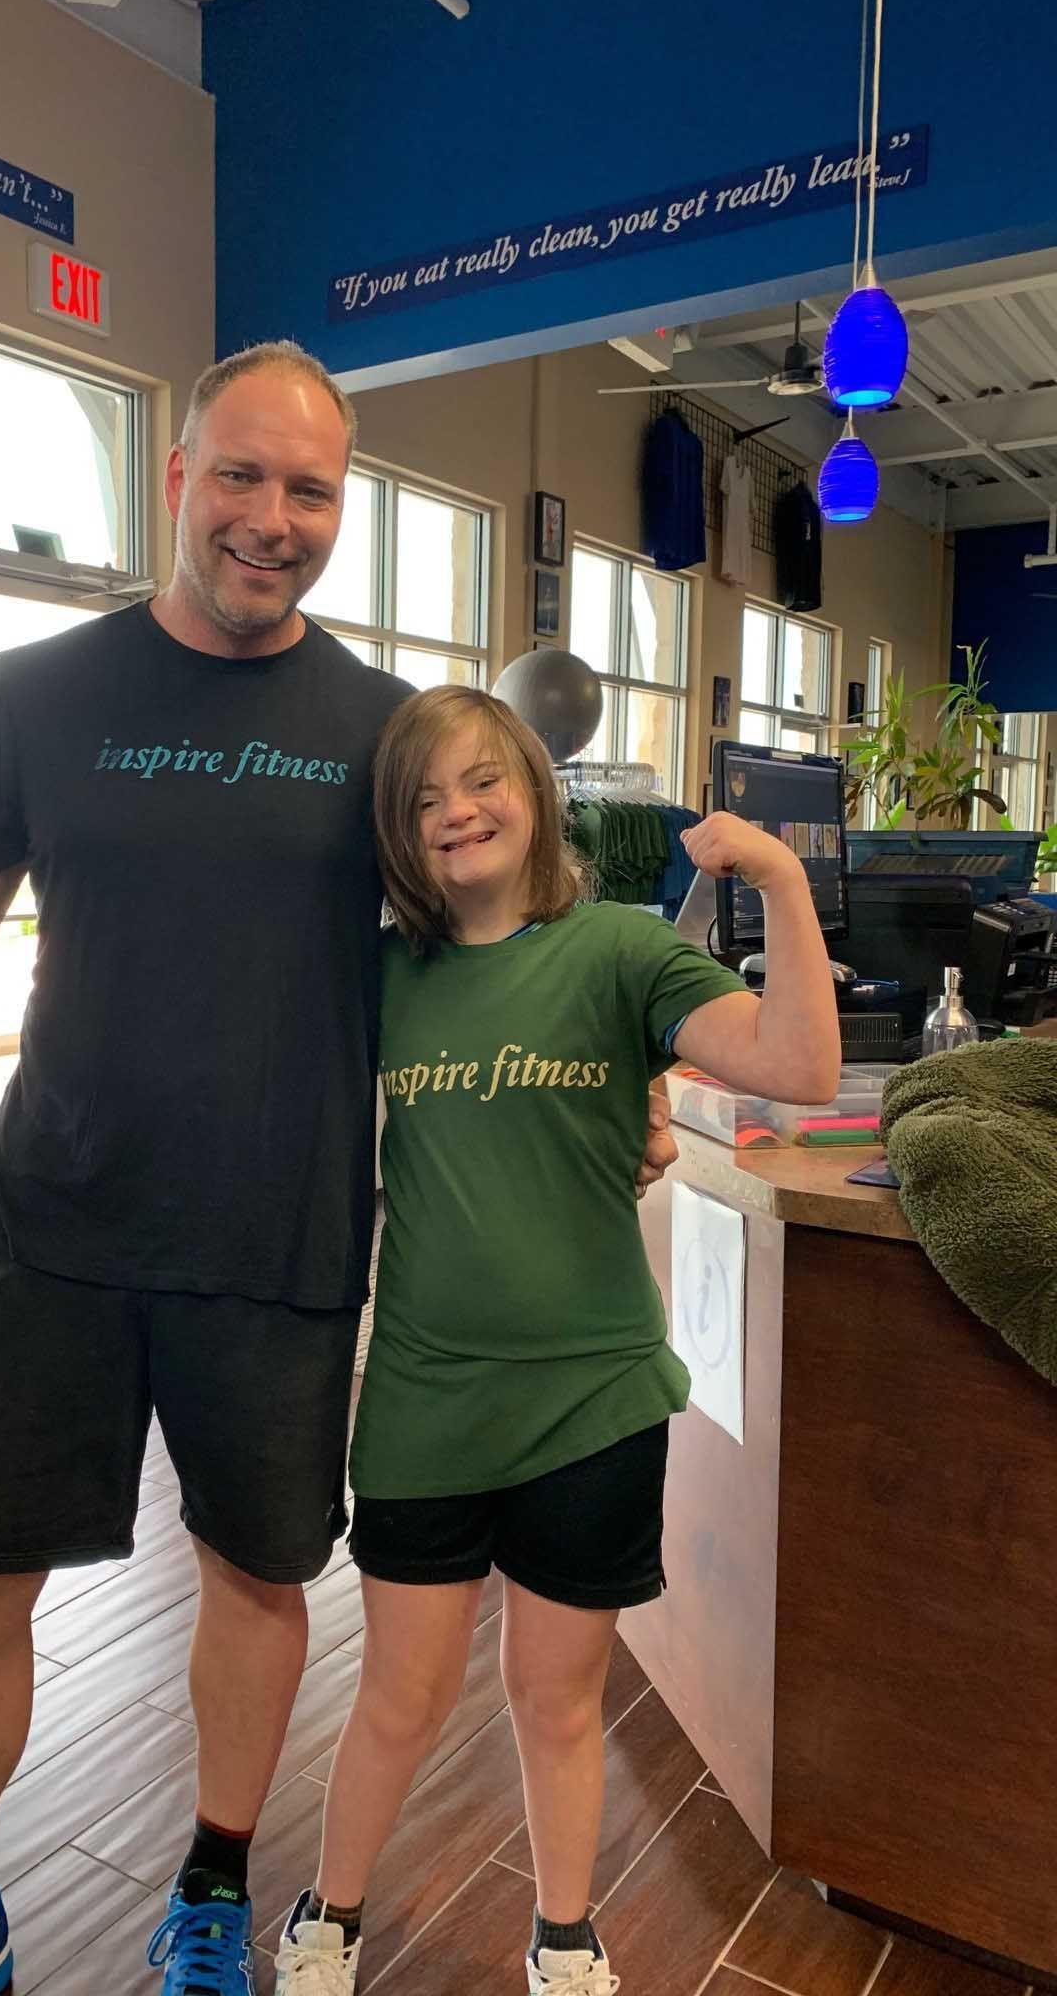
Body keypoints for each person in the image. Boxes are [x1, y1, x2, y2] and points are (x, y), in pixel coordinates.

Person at [0, 346, 680, 1996]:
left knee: (257, 1575)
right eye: (242, 477)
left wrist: (616, 1070)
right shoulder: (33, 693)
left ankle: (213, 1886)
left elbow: (505, 921)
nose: (271, 521)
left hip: (279, 1241)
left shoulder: (376, 733)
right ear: (174, 471)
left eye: (309, 492)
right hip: (55, 1226)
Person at [272, 686, 839, 1996]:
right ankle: (329, 1917)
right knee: (397, 1699)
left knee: (557, 1698)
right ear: (399, 839)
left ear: (534, 789)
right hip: (422, 1398)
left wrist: (777, 880)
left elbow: (802, 1067)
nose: (456, 813)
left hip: (590, 1403)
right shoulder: (385, 973)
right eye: (422, 800)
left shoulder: (620, 958)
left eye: (481, 781)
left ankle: (568, 1938)